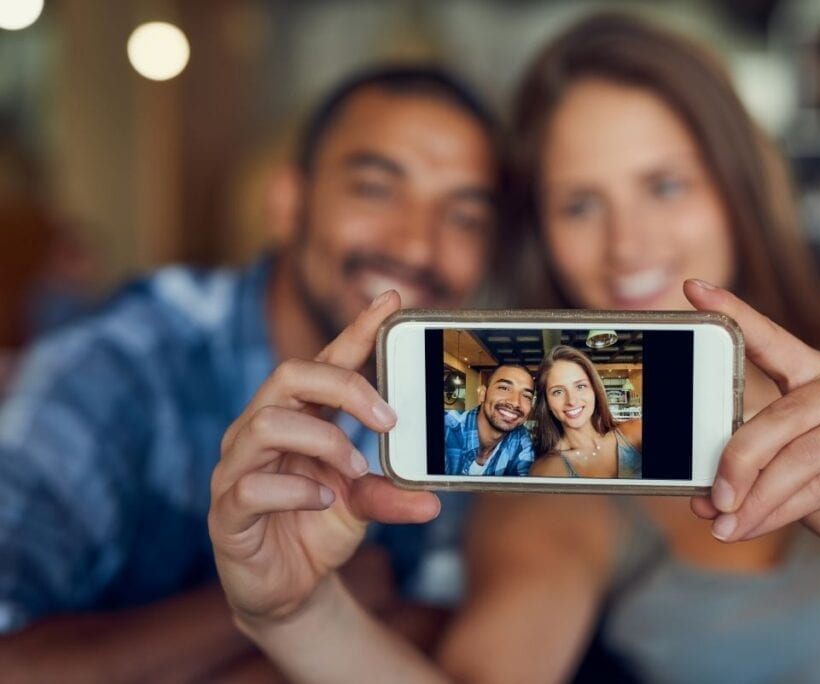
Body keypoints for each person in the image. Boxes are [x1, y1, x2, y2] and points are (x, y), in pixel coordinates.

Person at [207, 13, 820, 683]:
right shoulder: (562, 486)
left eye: (665, 185)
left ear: (733, 188)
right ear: (541, 232)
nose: (628, 246)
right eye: (579, 204)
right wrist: (296, 615)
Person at [0, 65, 499, 681]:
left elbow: (440, 637)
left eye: (466, 217)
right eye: (376, 189)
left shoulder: (474, 402)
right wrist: (317, 595)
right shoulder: (115, 364)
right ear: (288, 203)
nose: (420, 246)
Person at [528, 345, 640, 478]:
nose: (572, 401)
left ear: (594, 389)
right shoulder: (546, 471)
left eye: (580, 386)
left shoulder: (635, 431)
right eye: (557, 392)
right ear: (546, 402)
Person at [444, 363, 536, 476]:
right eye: (504, 388)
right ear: (483, 394)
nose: (515, 402)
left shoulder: (522, 441)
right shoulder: (445, 427)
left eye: (526, 396)